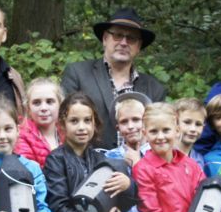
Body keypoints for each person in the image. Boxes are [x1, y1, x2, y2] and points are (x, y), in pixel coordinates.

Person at [44, 92, 137, 212]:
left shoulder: (101, 158)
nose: (82, 127)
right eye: (74, 121)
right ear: (62, 124)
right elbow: (59, 208)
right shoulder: (56, 160)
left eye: (87, 120)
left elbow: (124, 201)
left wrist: (128, 186)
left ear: (95, 124)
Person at [61, 8, 167, 149]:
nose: (123, 42)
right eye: (117, 35)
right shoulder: (77, 73)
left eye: (131, 38)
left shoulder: (154, 89)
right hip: (89, 165)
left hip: (139, 166)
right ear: (105, 39)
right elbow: (63, 122)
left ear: (138, 46)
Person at [104, 92, 152, 212]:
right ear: (118, 128)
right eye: (125, 121)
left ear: (146, 122)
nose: (131, 126)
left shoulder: (156, 157)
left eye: (136, 120)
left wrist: (139, 165)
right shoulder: (109, 158)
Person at [15, 78, 63, 167]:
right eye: (37, 103)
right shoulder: (21, 135)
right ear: (28, 108)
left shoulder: (67, 132)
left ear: (60, 105)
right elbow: (28, 171)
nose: (43, 108)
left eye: (49, 102)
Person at [173, 97, 208, 169]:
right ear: (175, 122)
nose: (193, 129)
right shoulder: (163, 154)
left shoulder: (199, 160)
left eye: (198, 124)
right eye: (187, 122)